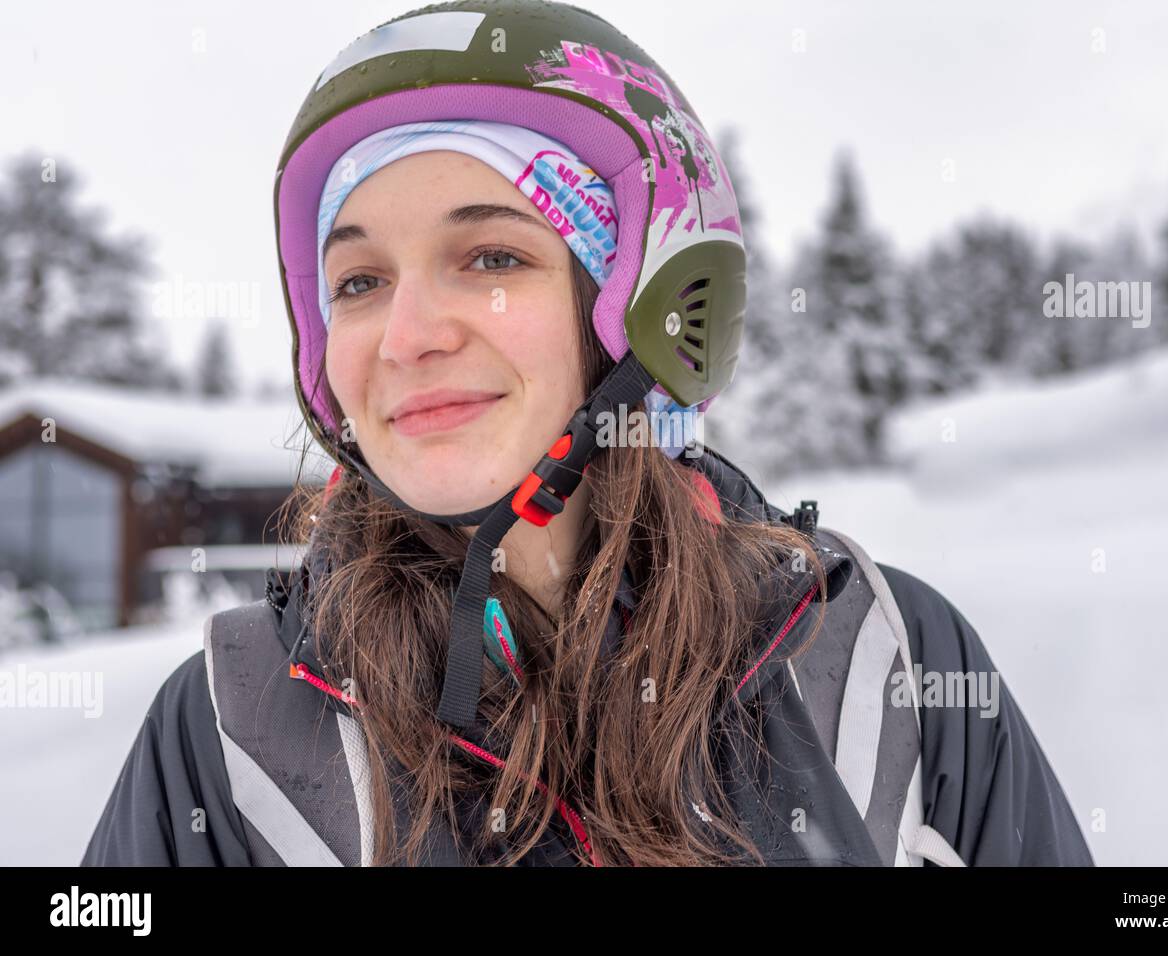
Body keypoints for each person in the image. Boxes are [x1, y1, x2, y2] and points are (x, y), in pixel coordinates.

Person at [81, 0, 1094, 867]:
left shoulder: (883, 662)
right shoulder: (229, 727)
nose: (407, 336)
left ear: (646, 308)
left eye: (489, 257)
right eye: (358, 280)